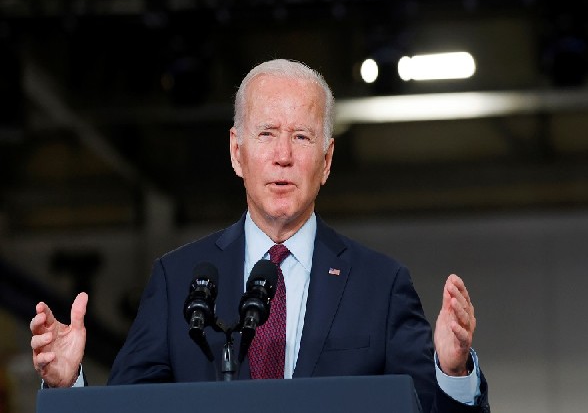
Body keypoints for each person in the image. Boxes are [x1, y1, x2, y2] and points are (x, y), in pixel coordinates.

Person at [31, 59, 490, 412]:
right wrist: (66, 385)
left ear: (326, 161)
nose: (283, 156)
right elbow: (127, 410)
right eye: (267, 133)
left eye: (303, 138)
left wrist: (452, 372)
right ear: (237, 153)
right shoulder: (178, 280)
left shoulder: (380, 285)